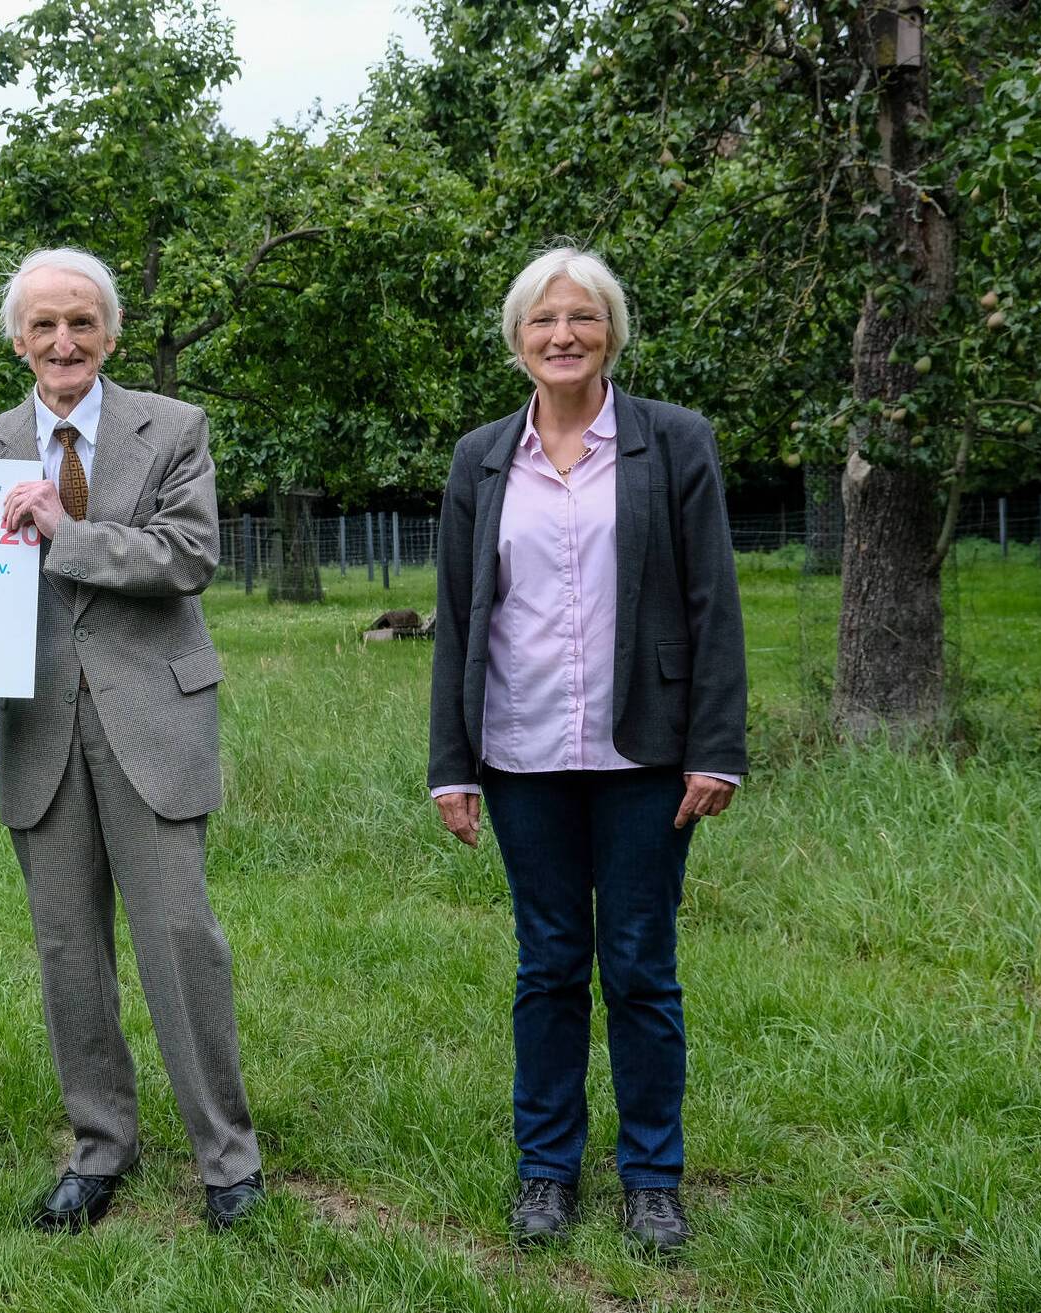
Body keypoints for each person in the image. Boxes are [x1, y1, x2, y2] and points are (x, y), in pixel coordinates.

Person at [0, 248, 265, 1231]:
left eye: (82, 322)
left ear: (110, 334)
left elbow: (188, 554)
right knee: (67, 950)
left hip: (154, 717)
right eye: (43, 324)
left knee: (180, 939)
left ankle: (227, 1157)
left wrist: (63, 528)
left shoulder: (172, 428)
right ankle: (99, 1148)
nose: (64, 341)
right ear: (17, 339)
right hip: (39, 728)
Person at [428, 246, 747, 1254]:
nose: (561, 335)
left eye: (581, 317)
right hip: (521, 752)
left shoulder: (672, 442)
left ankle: (652, 1176)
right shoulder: (482, 457)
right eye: (541, 320)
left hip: (645, 756)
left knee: (641, 967)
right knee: (549, 965)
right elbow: (454, 612)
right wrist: (451, 760)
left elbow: (712, 602)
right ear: (517, 339)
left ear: (610, 330)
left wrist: (716, 747)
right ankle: (545, 1172)